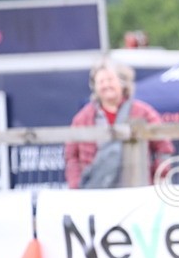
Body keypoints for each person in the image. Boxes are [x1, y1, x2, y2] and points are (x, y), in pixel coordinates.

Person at [64, 58, 172, 189]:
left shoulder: (143, 112)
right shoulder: (82, 118)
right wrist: (76, 185)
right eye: (101, 81)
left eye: (110, 80)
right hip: (95, 190)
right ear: (95, 86)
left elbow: (164, 148)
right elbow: (71, 156)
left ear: (123, 83)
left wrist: (158, 179)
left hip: (135, 189)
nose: (106, 85)